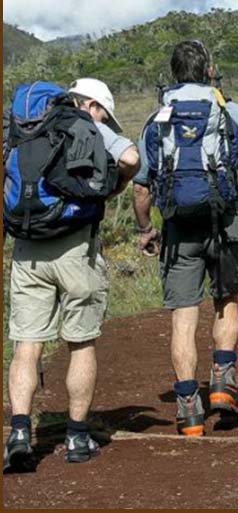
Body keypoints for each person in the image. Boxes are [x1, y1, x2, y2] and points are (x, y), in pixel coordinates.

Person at [132, 40, 238, 436]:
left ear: (173, 73)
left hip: (180, 230)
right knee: (226, 301)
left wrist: (147, 229)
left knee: (184, 318)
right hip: (227, 222)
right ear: (209, 71)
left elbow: (141, 189)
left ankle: (188, 410)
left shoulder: (158, 118)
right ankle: (221, 381)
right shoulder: (231, 111)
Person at [3, 78, 140, 472]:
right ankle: (77, 437)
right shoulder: (88, 125)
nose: (102, 120)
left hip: (28, 249)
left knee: (27, 345)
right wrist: (111, 188)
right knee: (81, 343)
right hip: (77, 249)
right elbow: (131, 159)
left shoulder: (23, 126)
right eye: (103, 112)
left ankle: (19, 433)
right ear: (91, 103)